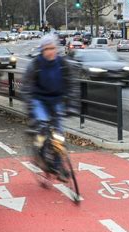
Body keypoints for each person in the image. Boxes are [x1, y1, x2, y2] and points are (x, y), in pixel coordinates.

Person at [22, 35, 77, 180]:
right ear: (42, 50)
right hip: (39, 100)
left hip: (57, 100)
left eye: (52, 48)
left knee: (58, 135)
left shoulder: (63, 64)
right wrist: (30, 109)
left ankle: (58, 166)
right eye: (46, 49)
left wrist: (71, 105)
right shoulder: (35, 65)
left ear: (56, 49)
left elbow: (71, 85)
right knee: (42, 127)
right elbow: (27, 87)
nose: (50, 52)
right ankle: (40, 154)